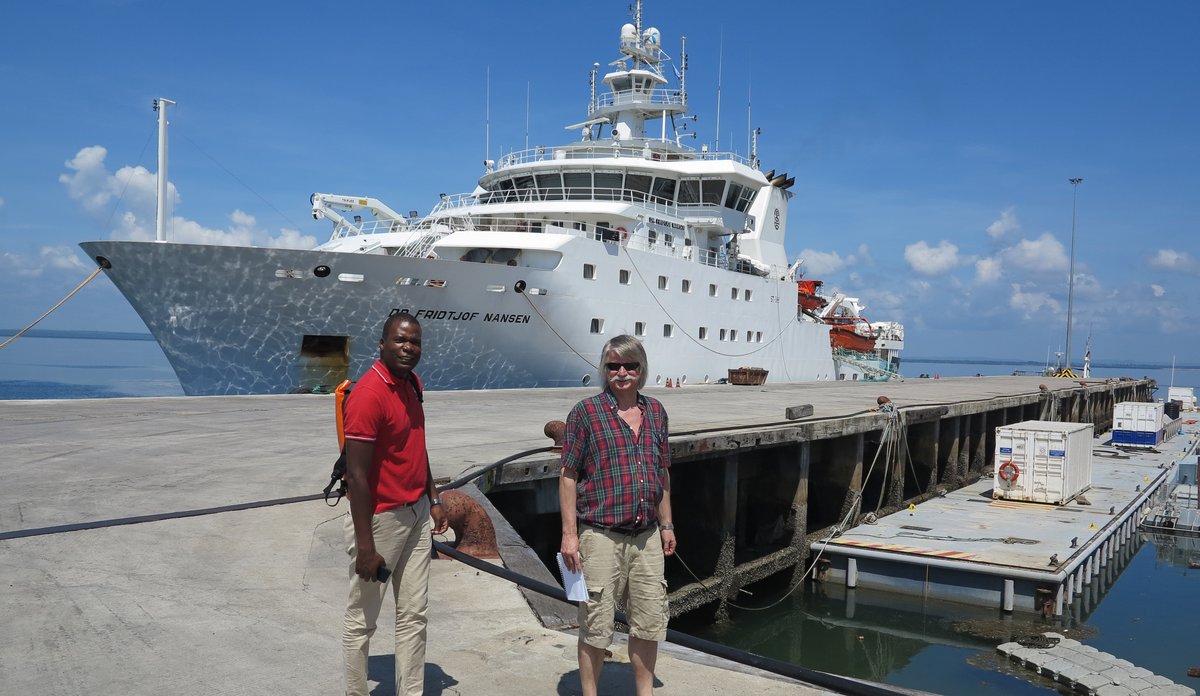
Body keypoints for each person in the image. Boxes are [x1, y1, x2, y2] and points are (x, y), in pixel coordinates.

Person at [559, 335, 676, 696]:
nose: (622, 373)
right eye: (613, 366)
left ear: (641, 370)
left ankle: (645, 692)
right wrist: (569, 534)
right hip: (600, 535)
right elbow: (568, 475)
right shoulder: (585, 413)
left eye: (630, 366)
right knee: (595, 624)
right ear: (604, 370)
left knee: (649, 621)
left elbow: (662, 471)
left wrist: (667, 524)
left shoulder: (655, 411)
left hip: (647, 537)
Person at [341, 311, 448, 696]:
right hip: (382, 521)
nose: (408, 347)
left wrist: (433, 496)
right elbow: (356, 477)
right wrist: (366, 546)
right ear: (382, 343)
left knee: (414, 616)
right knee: (362, 620)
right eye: (401, 340)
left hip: (417, 513)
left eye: (415, 342)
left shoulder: (412, 383)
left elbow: (416, 444)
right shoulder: (368, 395)